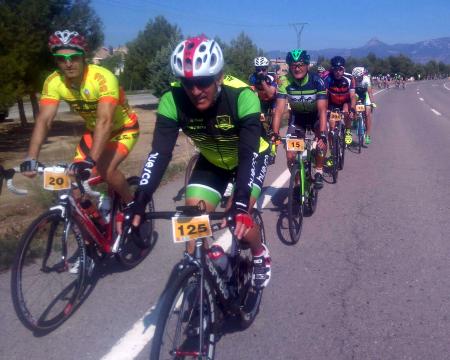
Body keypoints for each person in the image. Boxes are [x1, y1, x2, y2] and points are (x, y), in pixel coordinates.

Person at [129, 36, 271, 289]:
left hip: (249, 158)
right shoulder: (171, 100)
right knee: (192, 217)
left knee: (239, 218)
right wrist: (139, 199)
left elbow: (248, 153)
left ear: (219, 76)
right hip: (212, 161)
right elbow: (159, 154)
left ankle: (260, 254)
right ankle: (198, 273)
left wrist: (239, 203)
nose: (195, 91)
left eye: (203, 81)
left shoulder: (241, 96)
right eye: (188, 82)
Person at [21, 30, 139, 204]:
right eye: (62, 59)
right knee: (74, 183)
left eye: (74, 57)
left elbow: (105, 121)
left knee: (105, 169)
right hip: (93, 133)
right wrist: (31, 157)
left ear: (83, 57)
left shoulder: (102, 78)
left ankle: (131, 206)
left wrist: (91, 160)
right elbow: (44, 120)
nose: (68, 64)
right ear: (56, 60)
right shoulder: (53, 82)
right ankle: (94, 221)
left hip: (122, 129)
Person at [271, 49, 328, 189]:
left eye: (301, 64)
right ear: (289, 66)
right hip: (297, 119)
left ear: (307, 65)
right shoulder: (285, 82)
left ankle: (319, 170)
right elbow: (278, 111)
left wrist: (322, 135)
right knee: (290, 156)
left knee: (321, 142)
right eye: (293, 65)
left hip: (315, 116)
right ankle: (298, 183)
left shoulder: (317, 81)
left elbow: (322, 110)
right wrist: (275, 132)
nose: (297, 68)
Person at [324, 56, 356, 145]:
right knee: (331, 126)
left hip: (345, 102)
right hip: (332, 103)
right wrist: (325, 109)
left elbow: (352, 96)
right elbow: (325, 96)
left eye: (340, 69)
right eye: (335, 69)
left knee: (346, 112)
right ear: (332, 69)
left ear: (344, 69)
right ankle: (331, 151)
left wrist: (352, 109)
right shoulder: (328, 78)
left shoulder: (349, 78)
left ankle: (348, 131)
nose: (338, 72)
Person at [352, 66, 376, 144]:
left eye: (359, 77)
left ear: (362, 75)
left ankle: (368, 135)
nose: (357, 79)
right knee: (353, 104)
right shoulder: (353, 80)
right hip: (357, 95)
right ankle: (355, 119)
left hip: (365, 95)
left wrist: (372, 102)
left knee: (367, 114)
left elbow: (370, 93)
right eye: (355, 77)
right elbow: (351, 94)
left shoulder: (366, 79)